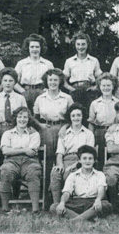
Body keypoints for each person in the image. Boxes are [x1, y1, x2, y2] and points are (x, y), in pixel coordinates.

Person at [33, 68, 74, 205]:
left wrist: (65, 126)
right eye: (50, 80)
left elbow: (73, 115)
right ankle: (46, 197)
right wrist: (41, 125)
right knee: (47, 161)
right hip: (46, 129)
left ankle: (64, 195)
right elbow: (35, 117)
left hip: (63, 129)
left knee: (61, 159)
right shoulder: (40, 98)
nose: (53, 82)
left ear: (60, 81)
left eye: (56, 80)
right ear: (46, 81)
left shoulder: (67, 98)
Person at [51, 145, 113, 221]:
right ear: (79, 160)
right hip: (77, 203)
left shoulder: (100, 174)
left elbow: (101, 190)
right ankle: (87, 219)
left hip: (93, 203)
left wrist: (98, 199)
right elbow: (67, 192)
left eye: (90, 159)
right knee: (54, 206)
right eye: (84, 158)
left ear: (94, 161)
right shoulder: (73, 175)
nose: (87, 161)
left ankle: (75, 220)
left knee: (106, 205)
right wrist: (62, 203)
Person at [0, 107, 42, 213]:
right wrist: (24, 149)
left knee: (33, 172)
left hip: (30, 161)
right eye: (20, 117)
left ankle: (35, 209)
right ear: (15, 118)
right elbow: (5, 151)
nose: (22, 120)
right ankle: (5, 208)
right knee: (5, 171)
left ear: (29, 119)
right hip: (11, 161)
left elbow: (31, 152)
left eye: (25, 117)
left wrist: (14, 149)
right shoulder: (8, 134)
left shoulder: (34, 134)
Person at [50, 103, 95, 205]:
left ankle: (69, 204)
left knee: (69, 174)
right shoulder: (64, 133)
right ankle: (56, 205)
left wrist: (74, 165)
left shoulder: (88, 133)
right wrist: (60, 164)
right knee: (55, 173)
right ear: (70, 118)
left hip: (82, 160)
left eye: (78, 115)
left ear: (82, 116)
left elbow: (88, 154)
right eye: (73, 116)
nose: (76, 118)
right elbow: (60, 153)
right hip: (66, 159)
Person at [88, 73, 119, 169]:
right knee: (100, 157)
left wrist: (115, 126)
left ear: (113, 86)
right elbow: (91, 122)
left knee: (113, 158)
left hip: (115, 133)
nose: (106, 88)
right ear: (99, 87)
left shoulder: (118, 102)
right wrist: (91, 137)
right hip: (99, 133)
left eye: (108, 85)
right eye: (103, 85)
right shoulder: (94, 103)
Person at [62, 32, 103, 112]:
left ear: (87, 45)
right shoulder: (69, 61)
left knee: (90, 113)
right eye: (78, 44)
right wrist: (70, 88)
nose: (80, 47)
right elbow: (62, 79)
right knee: (76, 113)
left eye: (83, 44)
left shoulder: (94, 60)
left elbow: (101, 78)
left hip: (89, 91)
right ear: (75, 45)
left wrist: (95, 87)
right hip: (75, 91)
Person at [15, 34, 54, 110]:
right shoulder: (21, 63)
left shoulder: (48, 64)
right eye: (32, 47)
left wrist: (46, 90)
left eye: (37, 47)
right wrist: (23, 92)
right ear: (28, 48)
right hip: (26, 92)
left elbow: (54, 80)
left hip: (42, 92)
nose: (34, 49)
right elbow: (14, 81)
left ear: (41, 48)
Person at [0, 67, 28, 139]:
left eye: (10, 81)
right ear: (1, 82)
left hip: (16, 128)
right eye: (5, 80)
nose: (7, 83)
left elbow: (26, 115)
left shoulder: (20, 98)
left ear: (15, 82)